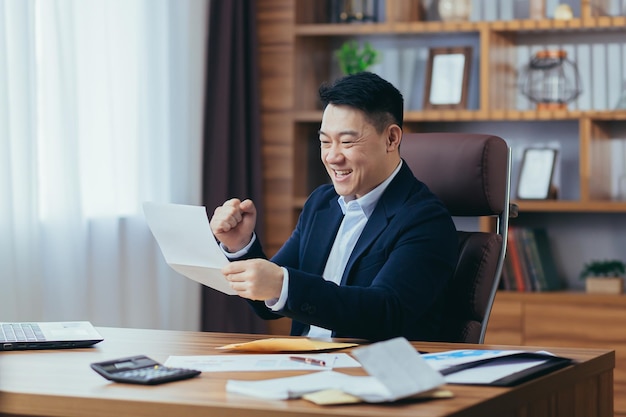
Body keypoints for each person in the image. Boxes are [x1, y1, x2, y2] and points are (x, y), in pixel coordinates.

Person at [209, 72, 458, 341]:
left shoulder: (426, 219)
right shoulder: (322, 204)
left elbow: (386, 312)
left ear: (391, 139)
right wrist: (240, 246)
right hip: (304, 365)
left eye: (347, 142)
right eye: (325, 141)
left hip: (370, 371)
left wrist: (284, 284)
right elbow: (268, 302)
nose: (332, 156)